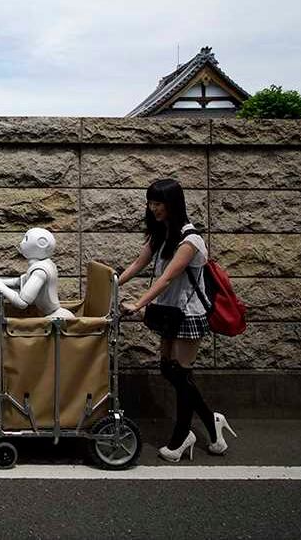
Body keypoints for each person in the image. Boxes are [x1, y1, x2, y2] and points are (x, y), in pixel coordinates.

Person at [116, 178, 237, 461]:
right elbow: (138, 263)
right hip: (169, 312)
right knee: (169, 370)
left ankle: (182, 437)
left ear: (173, 204)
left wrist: (138, 304)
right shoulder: (161, 232)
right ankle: (212, 421)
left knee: (181, 374)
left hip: (188, 313)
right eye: (150, 203)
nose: (153, 208)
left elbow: (167, 278)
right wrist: (112, 283)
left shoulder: (190, 240)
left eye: (158, 203)